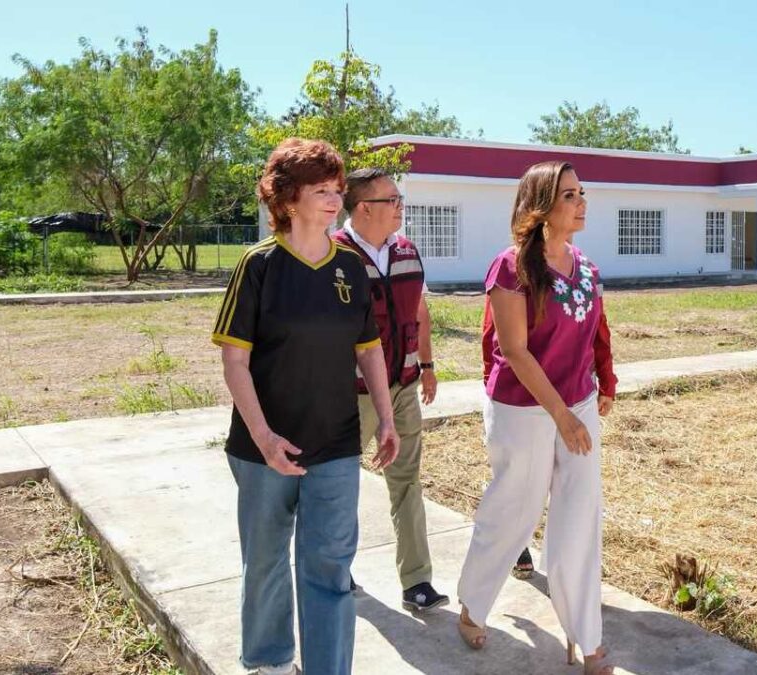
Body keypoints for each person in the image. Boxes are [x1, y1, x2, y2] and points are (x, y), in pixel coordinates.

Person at [213, 138, 399, 675]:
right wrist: (265, 438)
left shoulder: (350, 267)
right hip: (261, 447)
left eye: (338, 190)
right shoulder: (258, 266)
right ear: (287, 198)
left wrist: (386, 417)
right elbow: (234, 363)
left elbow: (368, 350)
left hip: (336, 443)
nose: (334, 200)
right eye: (320, 190)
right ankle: (270, 662)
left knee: (329, 565)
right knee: (267, 563)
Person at [457, 161, 615, 675]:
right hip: (523, 408)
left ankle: (588, 640)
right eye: (570, 195)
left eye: (581, 192)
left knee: (579, 521)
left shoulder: (586, 267)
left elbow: (594, 334)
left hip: (578, 404)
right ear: (542, 207)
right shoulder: (510, 268)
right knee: (514, 512)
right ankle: (472, 606)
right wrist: (561, 417)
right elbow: (516, 351)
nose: (581, 201)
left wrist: (600, 385)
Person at [333, 167, 449, 612]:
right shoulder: (333, 257)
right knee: (340, 484)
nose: (401, 206)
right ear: (364, 208)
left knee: (407, 482)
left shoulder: (406, 252)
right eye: (393, 200)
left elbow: (419, 311)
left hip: (404, 385)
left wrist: (428, 364)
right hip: (352, 392)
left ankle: (417, 581)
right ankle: (335, 570)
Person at [479, 284, 617, 580]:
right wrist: (493, 388)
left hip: (573, 399)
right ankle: (518, 546)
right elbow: (493, 335)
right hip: (523, 402)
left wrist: (607, 379)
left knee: (571, 489)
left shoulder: (582, 272)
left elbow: (598, 327)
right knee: (521, 487)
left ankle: (566, 576)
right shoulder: (513, 273)